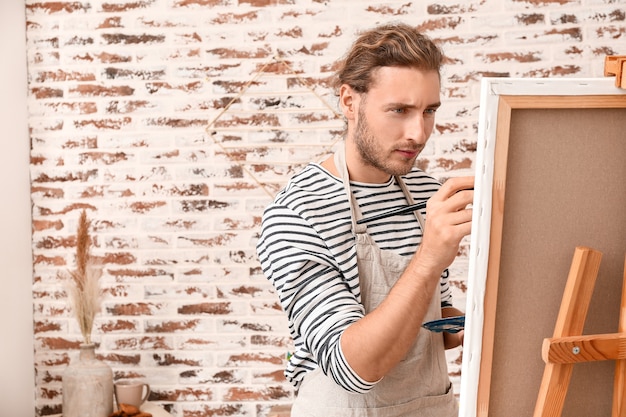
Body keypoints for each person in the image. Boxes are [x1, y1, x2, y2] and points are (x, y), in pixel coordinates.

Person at [256, 22, 474, 416]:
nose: (418, 132)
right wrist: (429, 257)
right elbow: (352, 367)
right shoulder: (296, 213)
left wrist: (477, 320)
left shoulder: (428, 194)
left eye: (429, 111)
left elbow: (431, 320)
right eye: (399, 110)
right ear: (349, 102)